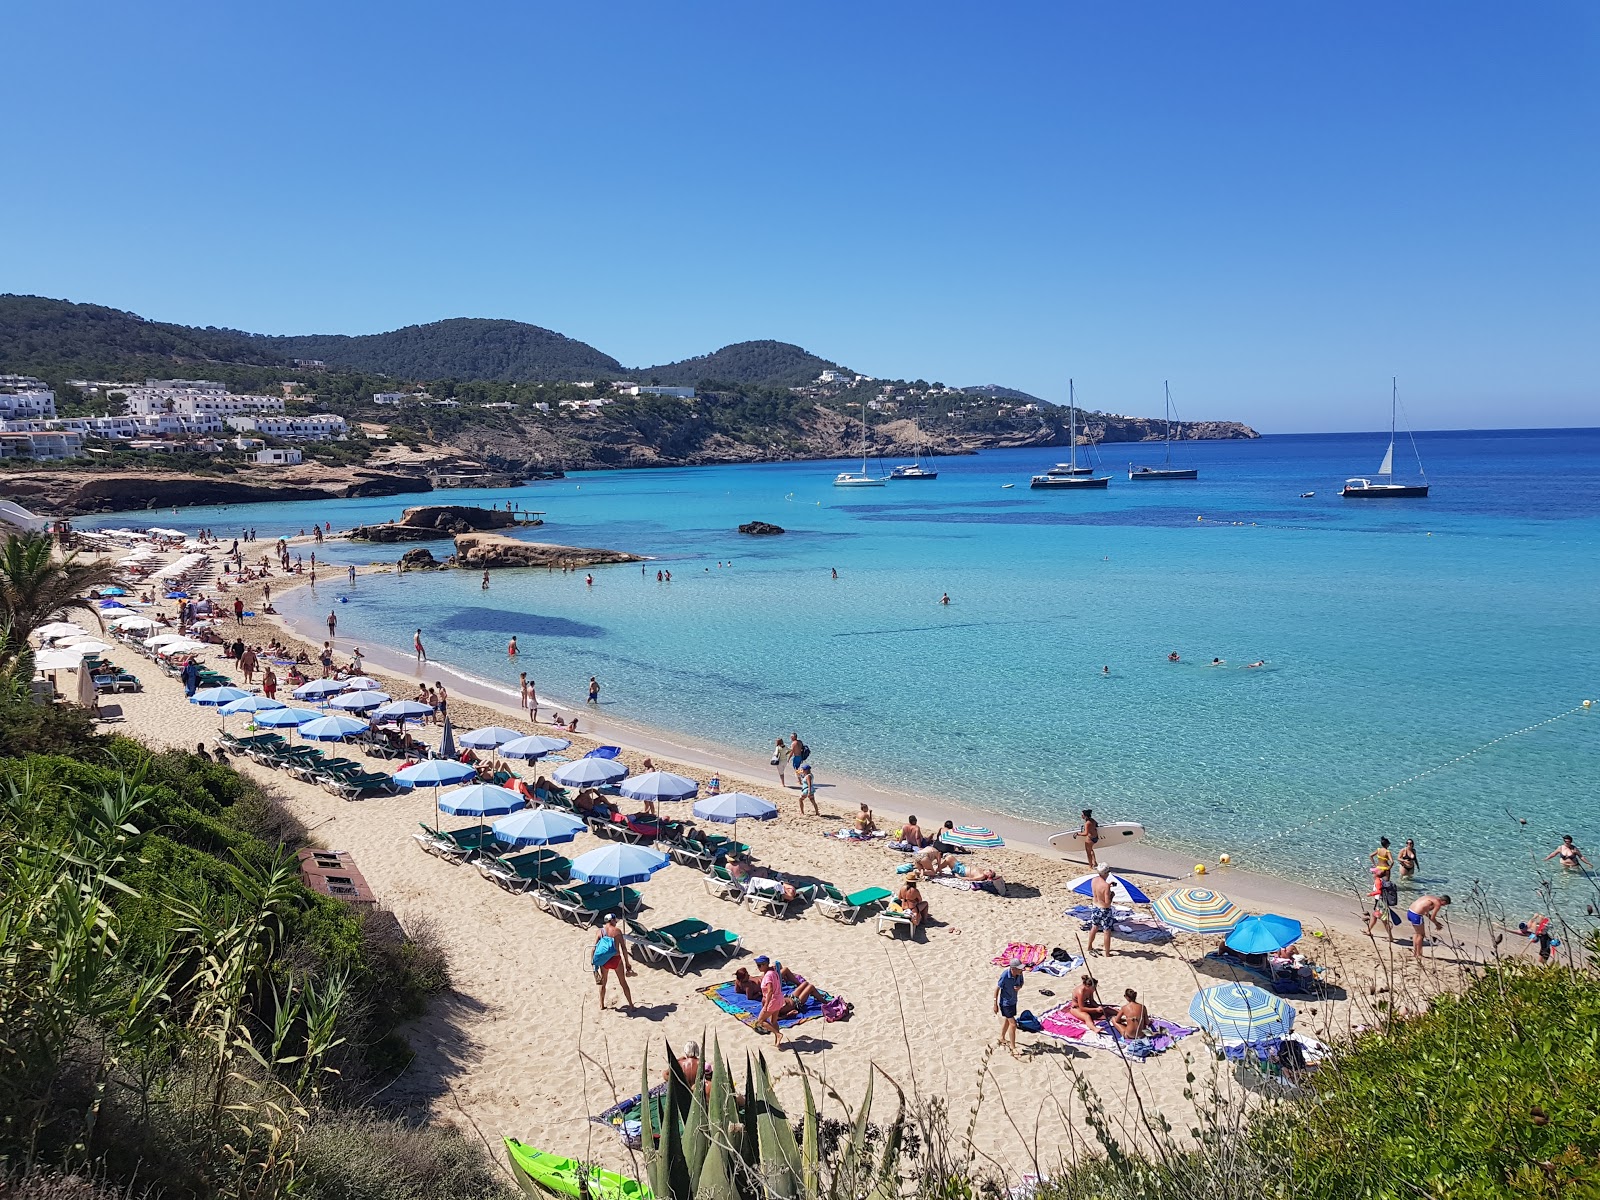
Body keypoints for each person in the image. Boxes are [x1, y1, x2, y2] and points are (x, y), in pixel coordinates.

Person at [591, 913, 634, 1010]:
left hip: (604, 961)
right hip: (616, 960)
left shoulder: (599, 931)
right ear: (612, 920)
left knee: (603, 982)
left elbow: (594, 949)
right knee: (623, 982)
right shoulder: (617, 931)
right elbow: (623, 949)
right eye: (615, 920)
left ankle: (601, 1005)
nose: (616, 922)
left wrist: (593, 963)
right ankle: (631, 1005)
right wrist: (627, 963)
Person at [754, 956, 787, 1048]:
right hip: (779, 998)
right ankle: (777, 1042)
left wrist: (766, 1004)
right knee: (773, 1021)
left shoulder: (768, 975)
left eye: (760, 965)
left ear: (765, 965)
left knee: (761, 1021)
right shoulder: (773, 972)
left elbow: (770, 990)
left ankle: (778, 1034)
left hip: (773, 1000)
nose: (758, 967)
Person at [1406, 894, 1452, 960]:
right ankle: (1418, 954)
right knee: (1421, 935)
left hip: (1410, 912)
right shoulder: (1438, 903)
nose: (1443, 906)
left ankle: (1415, 952)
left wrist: (1437, 923)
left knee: (1416, 933)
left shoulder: (1429, 898)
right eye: (1445, 904)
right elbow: (1433, 918)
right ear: (1444, 901)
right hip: (1416, 915)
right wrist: (1437, 925)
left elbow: (1425, 912)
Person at [995, 957, 1026, 1054]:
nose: (1021, 970)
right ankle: (1012, 1047)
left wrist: (1019, 987)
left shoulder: (1020, 974)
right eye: (1019, 968)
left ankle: (1002, 1037)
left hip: (1013, 1001)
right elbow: (997, 989)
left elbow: (1022, 983)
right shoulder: (1005, 975)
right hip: (1005, 1003)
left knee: (1007, 1021)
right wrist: (995, 1004)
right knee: (1013, 1024)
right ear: (1013, 969)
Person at [1088, 864, 1116, 956]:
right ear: (1105, 873)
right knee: (1107, 931)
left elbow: (1098, 891)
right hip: (1104, 909)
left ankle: (1089, 946)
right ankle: (1107, 953)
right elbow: (1107, 903)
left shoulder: (1094, 880)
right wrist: (1112, 895)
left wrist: (1108, 885)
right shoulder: (1105, 886)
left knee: (1094, 926)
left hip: (1095, 906)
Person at [1364, 867, 1399, 936]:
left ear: (1376, 874)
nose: (1372, 874)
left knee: (1384, 921)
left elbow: (1379, 891)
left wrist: (1370, 894)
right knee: (1374, 916)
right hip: (1380, 902)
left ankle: (1390, 937)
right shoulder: (1380, 880)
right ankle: (1368, 930)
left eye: (1373, 873)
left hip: (1381, 902)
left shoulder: (1377, 881)